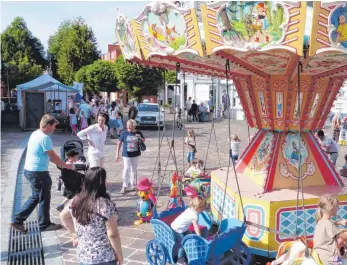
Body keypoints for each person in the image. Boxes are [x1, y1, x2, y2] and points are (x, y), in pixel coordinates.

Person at [10, 114, 73, 233]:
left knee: (40, 196)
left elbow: (46, 155)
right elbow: (52, 155)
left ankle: (41, 223)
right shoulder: (45, 138)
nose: (54, 129)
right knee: (39, 197)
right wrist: (66, 165)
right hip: (38, 172)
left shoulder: (35, 133)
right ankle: (20, 220)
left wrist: (59, 163)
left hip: (31, 170)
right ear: (48, 125)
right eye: (54, 126)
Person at [60, 167, 123, 265]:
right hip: (104, 257)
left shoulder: (76, 200)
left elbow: (63, 216)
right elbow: (112, 234)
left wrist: (73, 233)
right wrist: (119, 252)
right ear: (102, 183)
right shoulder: (105, 204)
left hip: (83, 255)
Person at [171, 196, 207, 264]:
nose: (203, 210)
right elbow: (196, 227)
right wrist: (200, 238)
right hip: (178, 229)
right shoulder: (194, 215)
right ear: (198, 207)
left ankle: (186, 253)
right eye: (202, 208)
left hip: (179, 227)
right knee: (184, 243)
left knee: (189, 237)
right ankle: (180, 259)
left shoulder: (190, 209)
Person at [313, 195, 347, 265]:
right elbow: (344, 237)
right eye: (336, 206)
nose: (338, 208)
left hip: (322, 255)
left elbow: (329, 225)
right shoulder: (329, 224)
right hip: (330, 259)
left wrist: (339, 222)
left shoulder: (320, 221)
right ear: (331, 208)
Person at [116, 120, 145, 195]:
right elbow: (119, 143)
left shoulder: (138, 132)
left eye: (130, 125)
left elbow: (143, 140)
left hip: (135, 154)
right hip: (126, 154)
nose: (128, 127)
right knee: (126, 169)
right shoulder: (124, 133)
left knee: (134, 170)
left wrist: (140, 138)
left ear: (134, 125)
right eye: (127, 125)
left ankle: (134, 185)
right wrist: (117, 154)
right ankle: (124, 186)